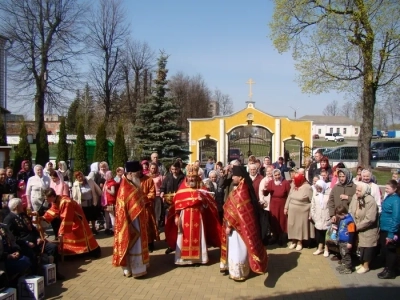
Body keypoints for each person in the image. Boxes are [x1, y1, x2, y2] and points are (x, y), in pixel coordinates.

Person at [165, 164, 221, 265]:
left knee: (198, 236)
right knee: (184, 236)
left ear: (197, 177)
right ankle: (183, 259)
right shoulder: (182, 188)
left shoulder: (201, 186)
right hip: (185, 216)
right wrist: (177, 216)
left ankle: (199, 259)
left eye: (193, 177)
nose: (191, 179)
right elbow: (177, 203)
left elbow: (209, 203)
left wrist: (203, 200)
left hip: (198, 216)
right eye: (189, 177)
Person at [220, 165, 268, 281]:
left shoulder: (242, 191)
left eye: (234, 176)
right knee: (236, 249)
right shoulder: (241, 187)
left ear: (240, 177)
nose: (232, 178)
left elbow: (239, 213)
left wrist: (229, 225)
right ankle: (236, 270)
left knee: (238, 250)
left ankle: (239, 273)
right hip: (236, 227)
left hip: (237, 228)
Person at [4, 198, 64, 280]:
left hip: (36, 241)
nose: (23, 206)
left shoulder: (23, 215)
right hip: (23, 244)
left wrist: (38, 237)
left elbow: (33, 228)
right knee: (32, 255)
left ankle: (54, 272)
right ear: (16, 207)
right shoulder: (9, 219)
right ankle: (36, 276)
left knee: (53, 247)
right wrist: (27, 242)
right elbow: (12, 237)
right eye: (21, 205)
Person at [112, 161, 149, 278]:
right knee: (131, 244)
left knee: (136, 244)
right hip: (130, 223)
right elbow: (124, 209)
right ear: (131, 173)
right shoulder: (125, 188)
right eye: (138, 174)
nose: (139, 176)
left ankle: (136, 267)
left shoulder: (133, 184)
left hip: (138, 221)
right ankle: (132, 268)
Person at [42, 188, 101, 258]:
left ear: (51, 196)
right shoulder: (57, 200)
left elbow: (66, 217)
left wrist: (61, 232)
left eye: (46, 199)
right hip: (71, 220)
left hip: (78, 221)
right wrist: (43, 217)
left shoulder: (65, 202)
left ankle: (86, 252)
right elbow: (54, 209)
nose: (46, 201)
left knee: (79, 237)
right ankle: (72, 253)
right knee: (69, 236)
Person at [349, 182, 379, 274]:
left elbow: (370, 219)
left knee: (367, 248)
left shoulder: (370, 201)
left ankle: (366, 266)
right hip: (357, 226)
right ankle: (362, 264)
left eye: (359, 190)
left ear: (365, 191)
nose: (357, 192)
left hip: (368, 229)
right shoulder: (355, 197)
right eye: (356, 190)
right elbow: (351, 209)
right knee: (361, 247)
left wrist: (357, 226)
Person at [377, 180, 400, 279]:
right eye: (385, 188)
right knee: (385, 250)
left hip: (390, 229)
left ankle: (390, 271)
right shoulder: (389, 197)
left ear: (394, 189)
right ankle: (387, 268)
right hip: (384, 227)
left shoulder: (396, 200)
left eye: (387, 188)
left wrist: (391, 233)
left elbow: (396, 217)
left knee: (390, 251)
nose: (385, 190)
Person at [284, 173, 313, 251]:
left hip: (302, 211)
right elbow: (289, 196)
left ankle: (300, 242)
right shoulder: (293, 185)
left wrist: (311, 212)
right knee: (292, 225)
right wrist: (286, 207)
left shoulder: (307, 187)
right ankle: (293, 241)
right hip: (292, 209)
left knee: (300, 227)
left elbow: (312, 201)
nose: (293, 180)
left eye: (295, 179)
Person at [263, 169, 291, 246]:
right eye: (275, 175)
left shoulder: (285, 183)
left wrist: (287, 206)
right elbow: (266, 193)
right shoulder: (271, 183)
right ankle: (275, 236)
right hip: (273, 204)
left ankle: (282, 237)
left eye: (278, 175)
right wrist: (265, 188)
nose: (277, 176)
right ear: (273, 176)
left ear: (280, 174)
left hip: (282, 204)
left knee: (282, 220)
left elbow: (289, 195)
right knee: (274, 221)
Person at [138, 164, 160, 252]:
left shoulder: (148, 180)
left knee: (148, 225)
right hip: (136, 208)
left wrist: (144, 200)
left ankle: (150, 244)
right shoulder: (132, 181)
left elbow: (152, 192)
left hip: (146, 207)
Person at [160, 161, 185, 232]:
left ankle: (179, 234)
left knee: (178, 218)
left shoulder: (183, 178)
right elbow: (163, 186)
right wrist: (162, 192)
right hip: (169, 202)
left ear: (179, 168)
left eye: (176, 169)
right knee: (168, 219)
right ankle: (168, 234)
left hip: (179, 202)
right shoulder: (168, 177)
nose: (174, 171)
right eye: (172, 169)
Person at [311, 180, 331, 256]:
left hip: (326, 218)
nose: (318, 189)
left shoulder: (328, 195)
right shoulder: (315, 196)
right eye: (317, 187)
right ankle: (320, 248)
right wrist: (314, 217)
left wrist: (329, 216)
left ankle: (326, 249)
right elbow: (312, 207)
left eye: (320, 187)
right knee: (319, 235)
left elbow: (330, 206)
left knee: (326, 234)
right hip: (318, 218)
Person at [335, 205, 356, 274]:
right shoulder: (343, 219)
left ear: (343, 214)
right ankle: (344, 265)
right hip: (341, 240)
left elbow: (352, 232)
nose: (339, 218)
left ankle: (348, 268)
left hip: (346, 241)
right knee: (342, 253)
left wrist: (350, 242)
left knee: (346, 254)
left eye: (339, 216)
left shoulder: (349, 221)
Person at [49, 170, 68, 239]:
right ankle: (56, 235)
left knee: (60, 222)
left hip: (61, 205)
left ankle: (62, 235)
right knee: (53, 221)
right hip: (53, 205)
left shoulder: (64, 185)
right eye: (52, 178)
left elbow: (65, 196)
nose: (53, 180)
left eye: (54, 178)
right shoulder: (52, 185)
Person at [258, 166, 274, 245]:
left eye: (270, 171)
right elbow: (260, 192)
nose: (269, 173)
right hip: (266, 203)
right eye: (267, 171)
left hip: (274, 203)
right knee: (266, 221)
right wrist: (262, 201)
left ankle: (274, 236)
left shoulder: (276, 179)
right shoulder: (263, 180)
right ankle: (267, 236)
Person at [102, 171, 118, 235]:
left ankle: (114, 229)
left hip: (111, 201)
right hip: (106, 202)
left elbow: (113, 192)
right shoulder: (107, 182)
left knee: (112, 215)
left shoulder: (112, 183)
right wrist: (105, 185)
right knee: (106, 215)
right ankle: (107, 228)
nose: (105, 177)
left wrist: (107, 189)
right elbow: (103, 191)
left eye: (106, 176)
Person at [148, 163, 164, 228]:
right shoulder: (147, 177)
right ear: (149, 168)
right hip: (149, 197)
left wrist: (162, 195)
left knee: (157, 214)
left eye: (155, 168)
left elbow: (162, 186)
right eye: (152, 168)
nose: (153, 169)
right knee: (150, 213)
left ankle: (156, 229)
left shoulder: (160, 177)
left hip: (157, 196)